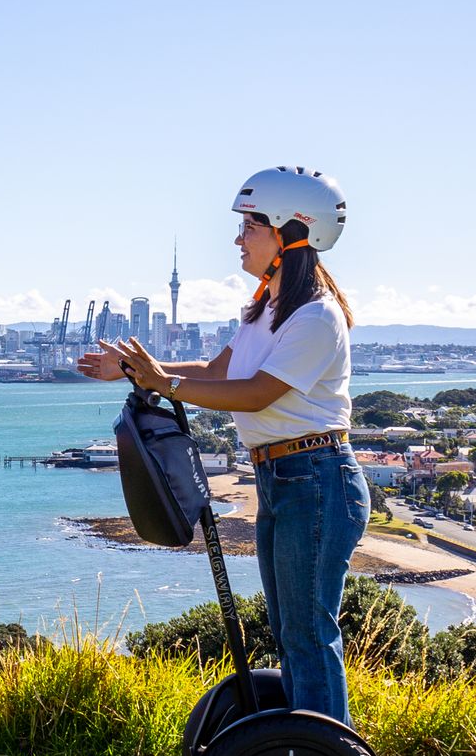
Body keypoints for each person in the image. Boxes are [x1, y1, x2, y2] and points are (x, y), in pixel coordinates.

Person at [79, 166, 366, 723]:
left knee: (308, 634)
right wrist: (138, 371)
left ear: (290, 233)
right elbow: (217, 372)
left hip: (317, 478)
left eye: (250, 227)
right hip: (281, 479)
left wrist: (164, 384)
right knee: (291, 631)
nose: (238, 239)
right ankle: (302, 750)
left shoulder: (317, 316)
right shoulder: (266, 310)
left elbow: (256, 393)